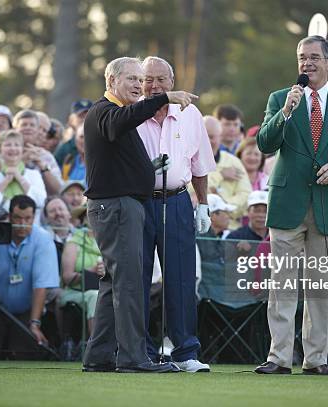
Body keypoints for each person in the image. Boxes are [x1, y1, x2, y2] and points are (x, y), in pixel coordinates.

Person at [254, 35, 328, 375]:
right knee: (283, 286)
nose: (308, 63)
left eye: (315, 57)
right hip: (287, 204)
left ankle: (317, 359)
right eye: (303, 57)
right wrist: (286, 111)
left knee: (319, 289)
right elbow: (264, 143)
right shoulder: (280, 98)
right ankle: (278, 358)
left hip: (326, 205)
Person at [81, 56, 197, 373]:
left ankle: (99, 356)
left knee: (114, 283)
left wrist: (150, 171)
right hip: (116, 207)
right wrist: (164, 98)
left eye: (138, 79)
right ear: (111, 82)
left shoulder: (113, 114)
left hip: (122, 206)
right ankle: (133, 358)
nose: (137, 84)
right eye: (131, 78)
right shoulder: (106, 112)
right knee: (130, 283)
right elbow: (123, 120)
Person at [136, 56, 215, 372]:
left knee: (181, 278)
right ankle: (140, 351)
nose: (154, 86)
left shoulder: (190, 113)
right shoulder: (132, 112)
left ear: (172, 81)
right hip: (139, 202)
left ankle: (185, 353)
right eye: (147, 80)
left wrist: (204, 204)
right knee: (138, 278)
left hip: (179, 200)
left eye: (160, 80)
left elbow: (199, 164)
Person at [0, 195, 60, 359]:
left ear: (34, 218)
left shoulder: (43, 239)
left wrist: (34, 324)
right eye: (17, 218)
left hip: (27, 311)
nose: (22, 224)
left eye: (28, 219)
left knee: (23, 354)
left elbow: (41, 285)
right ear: (9, 217)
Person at [205, 115, 252, 229]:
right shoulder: (190, 160)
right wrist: (220, 175)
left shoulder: (234, 162)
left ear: (220, 137)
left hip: (231, 230)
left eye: (211, 137)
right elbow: (192, 191)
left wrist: (223, 205)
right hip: (201, 227)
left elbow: (246, 196)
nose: (207, 141)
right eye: (203, 136)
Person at [0, 129, 46, 219]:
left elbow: (40, 201)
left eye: (17, 145)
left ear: (22, 150)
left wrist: (19, 178)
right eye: (7, 145)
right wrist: (6, 181)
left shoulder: (33, 174)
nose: (13, 148)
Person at [13, 109, 62, 195]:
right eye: (24, 125)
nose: (28, 128)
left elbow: (59, 190)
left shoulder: (46, 156)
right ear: (15, 128)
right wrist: (22, 161)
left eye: (32, 125)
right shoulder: (5, 149)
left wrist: (43, 167)